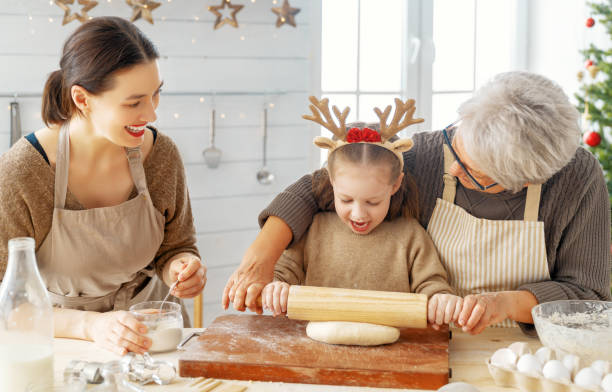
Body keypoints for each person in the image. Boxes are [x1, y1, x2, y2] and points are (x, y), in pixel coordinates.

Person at [223, 71, 611, 335]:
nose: (454, 167)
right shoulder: (425, 155)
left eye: (474, 173)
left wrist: (507, 304)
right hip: (426, 343)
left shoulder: (576, 180)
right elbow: (316, 189)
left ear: (523, 182)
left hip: (518, 352)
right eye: (456, 143)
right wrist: (262, 256)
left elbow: (590, 296)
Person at [0, 17, 206, 355]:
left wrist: (180, 267)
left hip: (155, 339)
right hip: (62, 345)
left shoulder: (161, 154)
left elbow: (176, 246)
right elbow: (6, 301)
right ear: (82, 99)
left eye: (156, 95)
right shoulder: (25, 170)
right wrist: (93, 326)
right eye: (134, 102)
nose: (152, 113)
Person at [261, 97, 463, 328]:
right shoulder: (313, 228)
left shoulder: (410, 235)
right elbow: (284, 271)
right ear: (331, 182)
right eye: (346, 199)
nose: (359, 214)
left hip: (394, 351)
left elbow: (431, 284)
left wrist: (440, 300)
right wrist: (277, 286)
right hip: (315, 348)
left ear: (395, 186)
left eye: (373, 202)